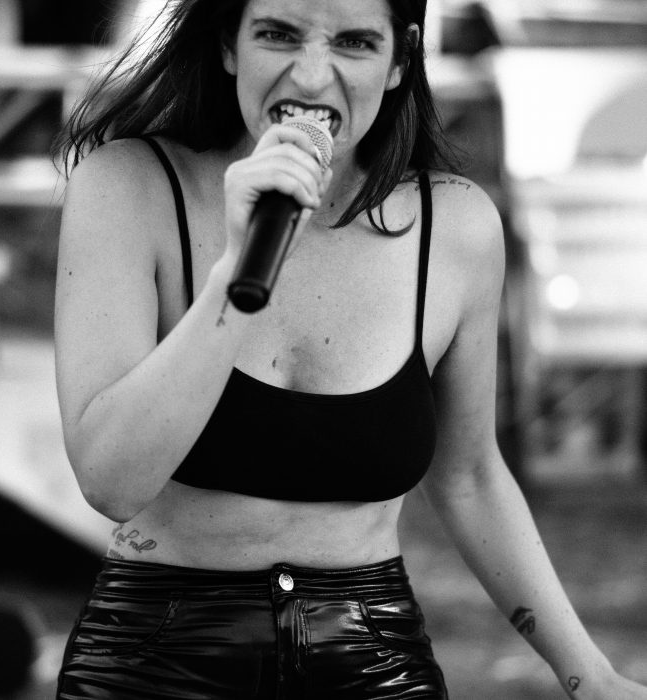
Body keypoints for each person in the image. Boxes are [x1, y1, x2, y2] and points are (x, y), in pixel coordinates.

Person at [53, 0, 647, 698]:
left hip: (371, 655)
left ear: (400, 60)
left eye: (355, 42)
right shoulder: (129, 188)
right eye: (278, 34)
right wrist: (234, 276)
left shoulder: (455, 228)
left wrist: (589, 676)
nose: (311, 75)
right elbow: (112, 483)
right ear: (228, 44)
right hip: (158, 657)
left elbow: (471, 476)